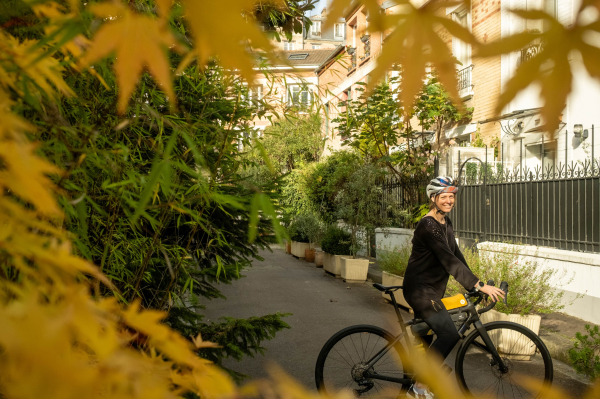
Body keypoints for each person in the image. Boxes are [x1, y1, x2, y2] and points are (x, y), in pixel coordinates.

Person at [403, 176, 505, 398]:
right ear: (433, 198)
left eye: (452, 196)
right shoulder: (427, 225)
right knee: (449, 334)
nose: (449, 200)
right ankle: (419, 387)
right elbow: (447, 260)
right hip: (420, 290)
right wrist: (478, 284)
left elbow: (455, 254)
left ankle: (416, 382)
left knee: (425, 338)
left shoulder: (444, 222)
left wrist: (475, 285)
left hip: (431, 289)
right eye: (444, 197)